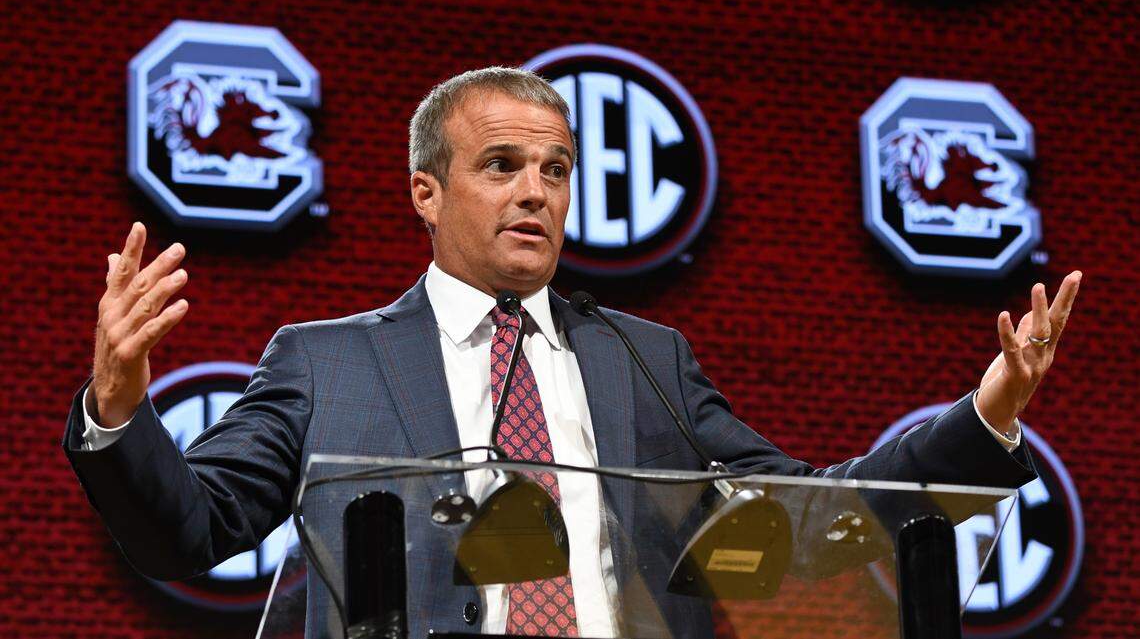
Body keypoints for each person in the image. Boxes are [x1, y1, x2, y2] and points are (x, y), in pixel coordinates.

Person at [63, 67, 1082, 639]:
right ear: (427, 191)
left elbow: (817, 517)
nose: (536, 190)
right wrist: (117, 403)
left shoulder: (648, 359)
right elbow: (187, 529)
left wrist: (986, 413)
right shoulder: (326, 362)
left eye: (555, 168)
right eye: (501, 165)